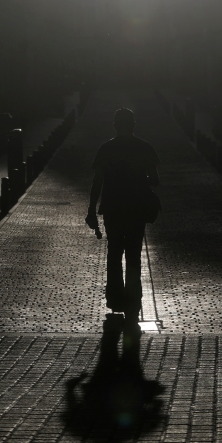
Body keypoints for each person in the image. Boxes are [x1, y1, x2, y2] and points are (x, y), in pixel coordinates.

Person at [86, 108, 159, 318]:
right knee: (134, 255)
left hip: (113, 208)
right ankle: (133, 301)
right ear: (133, 125)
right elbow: (155, 180)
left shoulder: (106, 149)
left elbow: (97, 182)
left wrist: (91, 210)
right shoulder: (145, 148)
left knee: (115, 252)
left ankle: (116, 299)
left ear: (115, 126)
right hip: (136, 209)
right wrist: (138, 180)